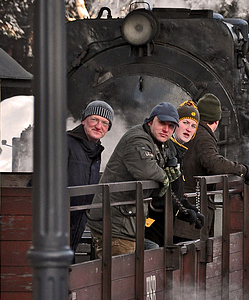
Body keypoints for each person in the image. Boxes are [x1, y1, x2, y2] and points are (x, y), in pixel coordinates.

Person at [87, 102, 182, 258]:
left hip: (128, 221)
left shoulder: (158, 143)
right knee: (121, 278)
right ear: (150, 121)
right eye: (162, 123)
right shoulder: (137, 139)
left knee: (149, 256)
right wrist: (165, 177)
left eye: (171, 126)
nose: (166, 129)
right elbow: (147, 170)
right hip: (115, 223)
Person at [179, 93, 249, 236]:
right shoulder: (203, 136)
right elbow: (214, 163)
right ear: (216, 121)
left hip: (184, 209)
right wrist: (244, 170)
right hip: (192, 212)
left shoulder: (191, 131)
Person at [146, 100, 205, 245]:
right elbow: (160, 191)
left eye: (193, 126)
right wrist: (182, 212)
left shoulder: (178, 152)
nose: (189, 129)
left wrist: (190, 208)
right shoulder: (167, 150)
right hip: (152, 222)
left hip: (164, 223)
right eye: (185, 123)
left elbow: (175, 191)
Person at [67, 100, 114, 255]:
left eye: (104, 123)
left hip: (79, 217)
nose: (98, 126)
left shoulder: (94, 150)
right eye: (94, 119)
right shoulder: (65, 143)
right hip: (58, 219)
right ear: (84, 120)